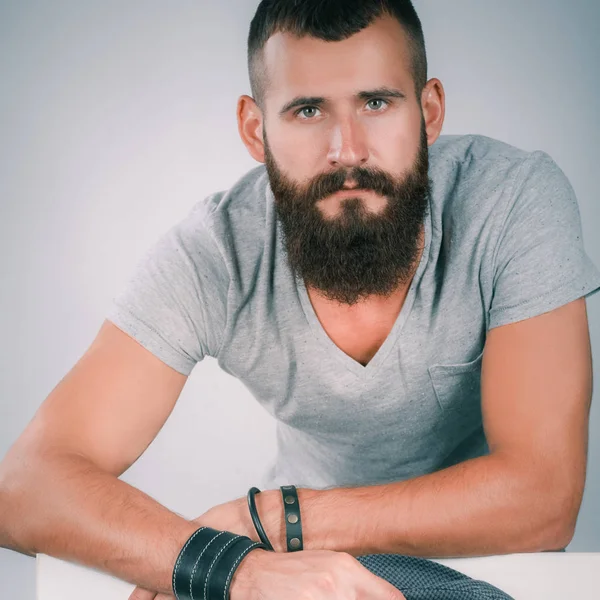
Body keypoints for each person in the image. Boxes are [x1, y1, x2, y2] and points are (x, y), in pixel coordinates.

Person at [1, 1, 598, 599]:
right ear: (255, 130)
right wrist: (230, 567)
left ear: (429, 110)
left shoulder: (514, 203)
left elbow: (542, 498)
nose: (348, 150)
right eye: (308, 110)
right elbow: (26, 485)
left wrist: (274, 521)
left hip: (493, 567)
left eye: (377, 102)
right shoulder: (217, 252)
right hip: (302, 578)